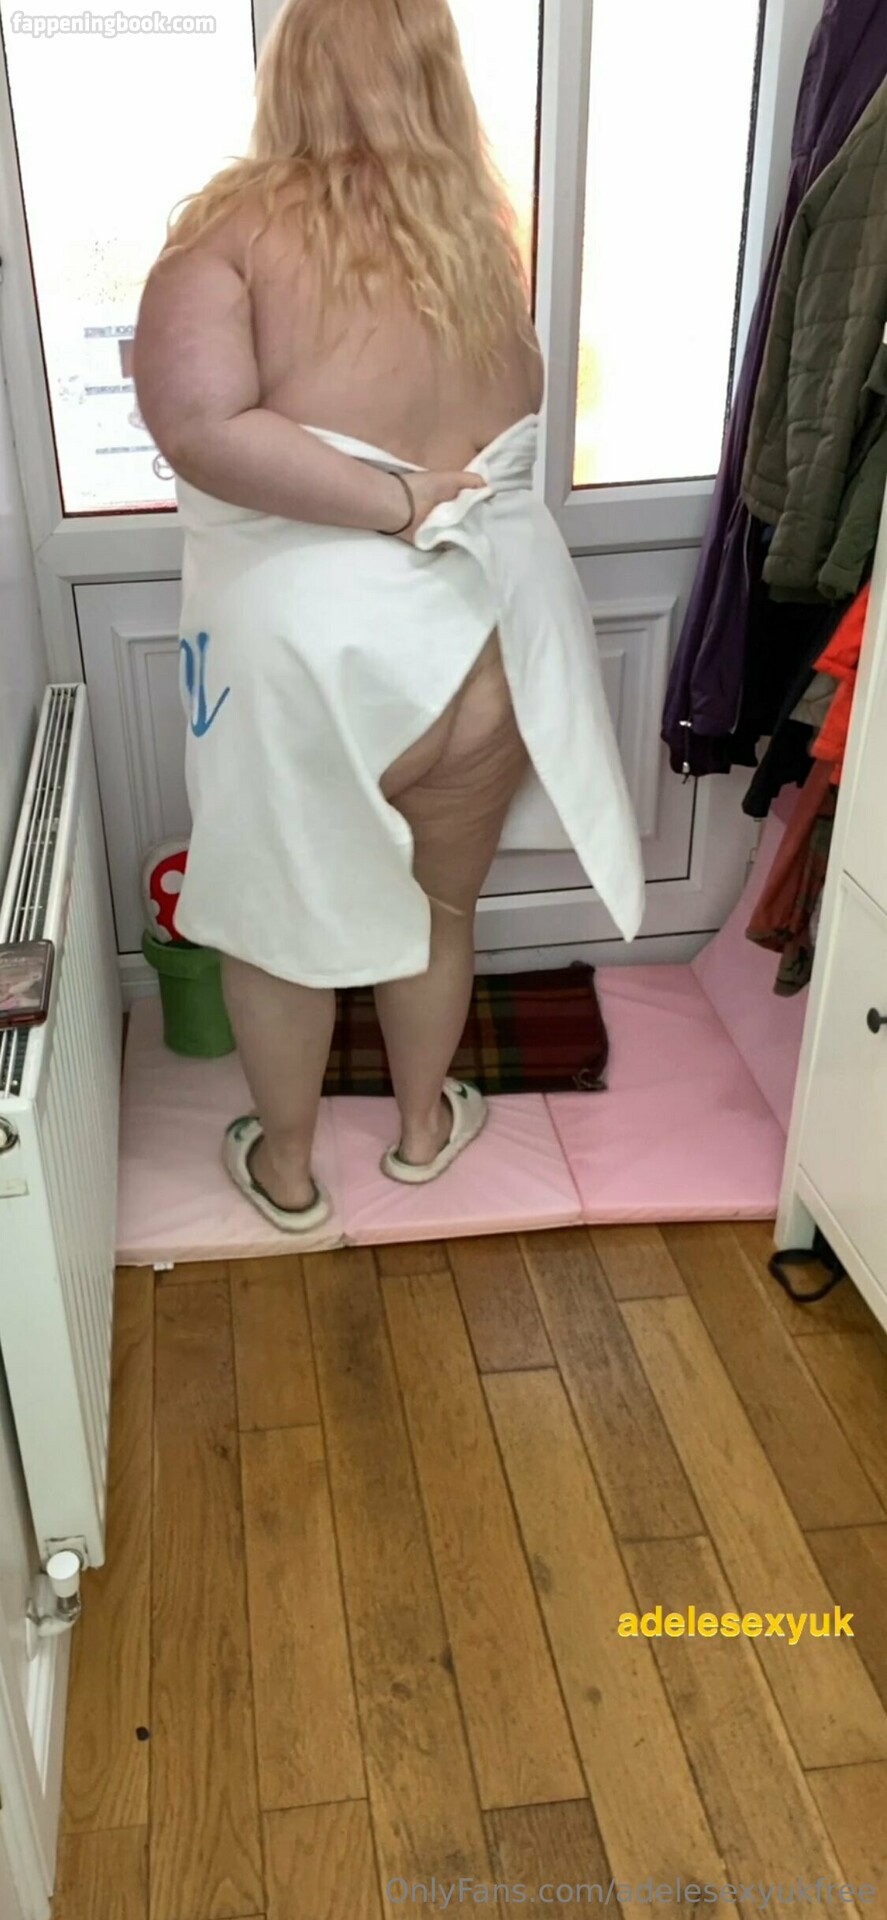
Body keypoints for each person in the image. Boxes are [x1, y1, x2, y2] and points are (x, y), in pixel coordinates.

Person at [133, 0, 644, 1237]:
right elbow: (505, 426)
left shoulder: (229, 234)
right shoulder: (474, 243)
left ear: (290, 72)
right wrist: (418, 490)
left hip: (319, 658)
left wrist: (387, 501)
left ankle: (288, 1172)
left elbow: (197, 427)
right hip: (490, 641)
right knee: (440, 910)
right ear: (436, 75)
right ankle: (421, 1131)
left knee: (275, 933)